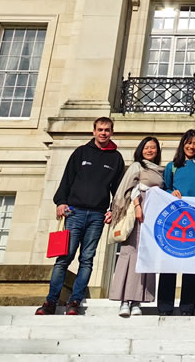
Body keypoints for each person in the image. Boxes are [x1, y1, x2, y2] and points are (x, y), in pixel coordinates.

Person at [36, 116, 125, 316]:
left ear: (111, 132)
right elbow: (67, 179)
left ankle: (74, 301)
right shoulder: (81, 152)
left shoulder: (116, 158)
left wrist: (113, 210)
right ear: (94, 131)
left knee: (87, 259)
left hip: (97, 215)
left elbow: (118, 189)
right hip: (74, 212)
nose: (103, 133)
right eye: (100, 129)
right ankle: (50, 302)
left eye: (107, 130)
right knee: (64, 258)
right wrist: (61, 202)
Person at [108, 135, 164, 317]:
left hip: (152, 215)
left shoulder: (160, 171)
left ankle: (138, 301)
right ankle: (125, 300)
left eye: (153, 147)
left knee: (145, 255)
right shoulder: (136, 166)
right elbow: (129, 189)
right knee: (130, 252)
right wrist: (138, 207)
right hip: (136, 212)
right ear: (141, 149)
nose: (150, 150)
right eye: (146, 147)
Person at [159, 129, 195, 316]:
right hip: (173, 221)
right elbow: (164, 189)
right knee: (169, 264)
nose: (192, 146)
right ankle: (165, 307)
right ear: (183, 145)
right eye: (188, 143)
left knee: (193, 265)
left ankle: (188, 307)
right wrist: (171, 193)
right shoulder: (172, 167)